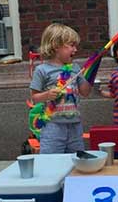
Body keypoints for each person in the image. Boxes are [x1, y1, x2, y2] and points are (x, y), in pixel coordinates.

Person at [30, 23, 91, 154]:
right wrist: (47, 95)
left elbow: (85, 92)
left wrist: (91, 73)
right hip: (52, 125)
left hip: (75, 125)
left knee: (76, 161)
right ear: (56, 45)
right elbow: (34, 97)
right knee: (51, 162)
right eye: (72, 45)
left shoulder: (75, 68)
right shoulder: (42, 70)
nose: (75, 50)